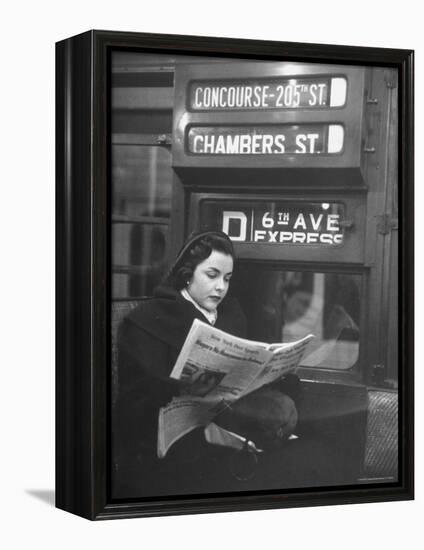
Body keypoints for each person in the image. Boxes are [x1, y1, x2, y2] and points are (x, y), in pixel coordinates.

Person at [113, 231, 308, 499]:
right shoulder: (148, 320)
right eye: (212, 275)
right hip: (168, 444)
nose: (221, 287)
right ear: (187, 273)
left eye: (227, 279)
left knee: (295, 461)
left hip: (222, 425)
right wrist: (177, 387)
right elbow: (134, 403)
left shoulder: (231, 314)